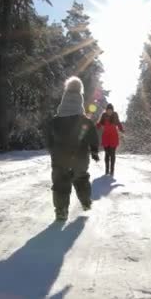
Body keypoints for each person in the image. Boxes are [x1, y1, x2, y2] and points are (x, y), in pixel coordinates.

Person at [46, 76, 100, 222]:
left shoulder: (54, 122)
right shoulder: (85, 121)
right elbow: (93, 137)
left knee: (60, 183)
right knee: (81, 178)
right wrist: (94, 151)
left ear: (64, 99)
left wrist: (52, 150)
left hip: (60, 158)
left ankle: (61, 211)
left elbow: (48, 139)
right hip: (80, 157)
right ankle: (86, 201)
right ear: (80, 100)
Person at [97, 103, 124, 176]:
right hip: (106, 137)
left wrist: (122, 129)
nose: (109, 111)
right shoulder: (104, 115)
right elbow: (99, 124)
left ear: (112, 110)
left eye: (111, 110)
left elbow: (118, 123)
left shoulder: (115, 115)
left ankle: (112, 170)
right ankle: (106, 169)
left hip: (113, 137)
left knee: (112, 154)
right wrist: (95, 127)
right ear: (106, 110)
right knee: (107, 153)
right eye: (108, 110)